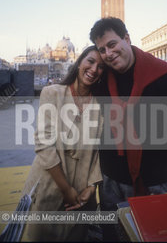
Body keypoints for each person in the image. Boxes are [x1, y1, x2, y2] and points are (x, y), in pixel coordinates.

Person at [90, 17, 167, 241]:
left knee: (158, 234)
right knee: (114, 233)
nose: (108, 54)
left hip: (155, 180)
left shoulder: (166, 76)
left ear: (127, 39)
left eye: (112, 45)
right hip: (111, 180)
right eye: (102, 49)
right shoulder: (102, 80)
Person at [22, 46, 105, 242]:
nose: (94, 69)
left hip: (83, 194)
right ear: (79, 63)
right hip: (49, 184)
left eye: (101, 67)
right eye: (90, 61)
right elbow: (43, 143)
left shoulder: (102, 105)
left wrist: (92, 187)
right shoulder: (52, 93)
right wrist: (66, 189)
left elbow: (101, 151)